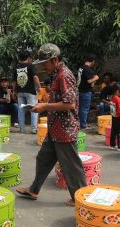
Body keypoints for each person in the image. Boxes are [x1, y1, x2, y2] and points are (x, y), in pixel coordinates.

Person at [15, 43, 86, 207]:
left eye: (44, 63)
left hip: (65, 129)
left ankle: (80, 198)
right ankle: (34, 189)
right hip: (55, 128)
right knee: (43, 158)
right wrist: (45, 104)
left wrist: (45, 107)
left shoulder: (64, 75)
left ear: (54, 60)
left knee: (71, 165)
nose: (42, 67)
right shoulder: (55, 74)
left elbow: (70, 104)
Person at [14, 51, 41, 133]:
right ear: (28, 58)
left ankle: (22, 129)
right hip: (30, 92)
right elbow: (35, 77)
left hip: (20, 91)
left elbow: (14, 81)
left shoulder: (17, 67)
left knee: (21, 109)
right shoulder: (30, 66)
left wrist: (15, 91)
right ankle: (34, 129)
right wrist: (39, 87)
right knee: (33, 109)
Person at [77, 55, 99, 129]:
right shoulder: (88, 69)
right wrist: (96, 77)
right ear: (93, 61)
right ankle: (83, 125)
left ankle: (80, 124)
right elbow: (89, 81)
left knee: (80, 108)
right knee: (84, 109)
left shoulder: (81, 68)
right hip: (85, 92)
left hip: (79, 90)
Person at [109, 84, 120, 149]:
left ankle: (112, 144)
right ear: (117, 91)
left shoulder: (113, 97)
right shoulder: (118, 99)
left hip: (114, 117)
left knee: (114, 130)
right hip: (119, 117)